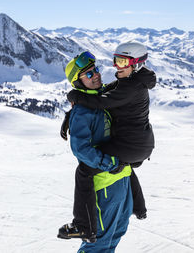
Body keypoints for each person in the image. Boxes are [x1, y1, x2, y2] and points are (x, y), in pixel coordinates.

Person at [58, 51, 133, 252]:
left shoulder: (100, 99)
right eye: (89, 74)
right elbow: (80, 148)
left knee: (117, 231)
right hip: (105, 182)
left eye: (95, 70)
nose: (96, 75)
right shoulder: (83, 110)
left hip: (122, 177)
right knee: (99, 241)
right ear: (78, 81)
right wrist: (110, 163)